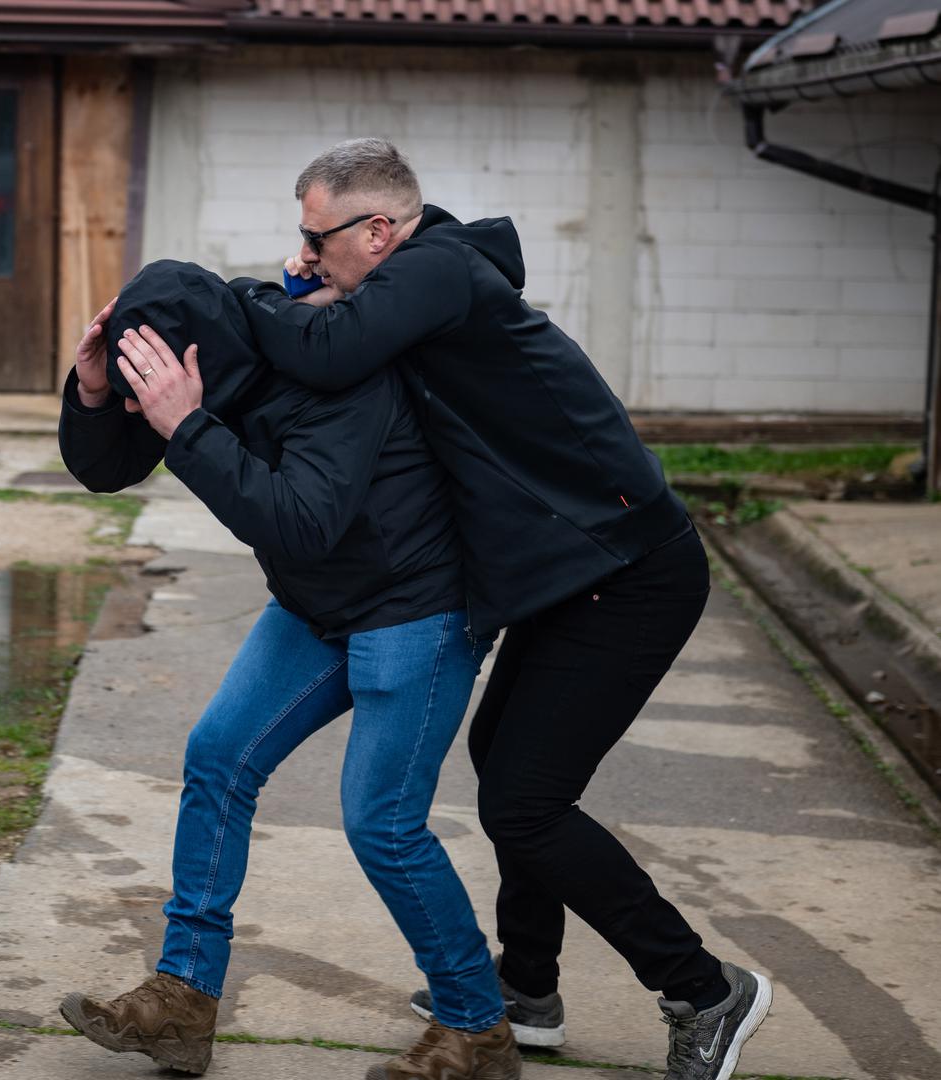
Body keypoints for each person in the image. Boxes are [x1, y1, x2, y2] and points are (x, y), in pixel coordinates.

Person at [229, 137, 772, 1080]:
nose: (304, 255)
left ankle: (703, 988)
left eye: (318, 238)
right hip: (568, 576)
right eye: (301, 240)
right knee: (506, 770)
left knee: (524, 803)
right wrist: (303, 293)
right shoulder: (415, 288)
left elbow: (326, 351)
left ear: (379, 230)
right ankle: (526, 990)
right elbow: (336, 354)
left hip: (630, 571)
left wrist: (248, 300)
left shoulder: (437, 268)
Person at [54, 260, 520, 1080]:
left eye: (146, 389)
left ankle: (478, 1027)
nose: (142, 405)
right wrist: (94, 392)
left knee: (382, 822)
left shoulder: (330, 372)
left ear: (195, 361)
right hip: (319, 604)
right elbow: (105, 468)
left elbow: (303, 520)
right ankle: (183, 998)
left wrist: (186, 425)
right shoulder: (210, 363)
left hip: (415, 604)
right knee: (219, 756)